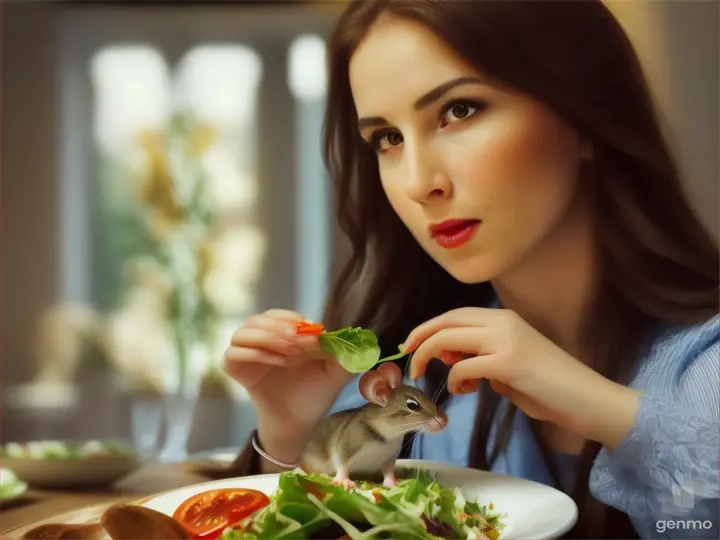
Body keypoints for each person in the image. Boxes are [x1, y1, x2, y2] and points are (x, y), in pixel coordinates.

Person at [223, 1, 719, 538]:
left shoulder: (704, 363)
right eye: (387, 138)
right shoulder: (414, 379)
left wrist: (604, 409)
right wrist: (287, 437)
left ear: (585, 118)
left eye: (459, 110)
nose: (418, 183)